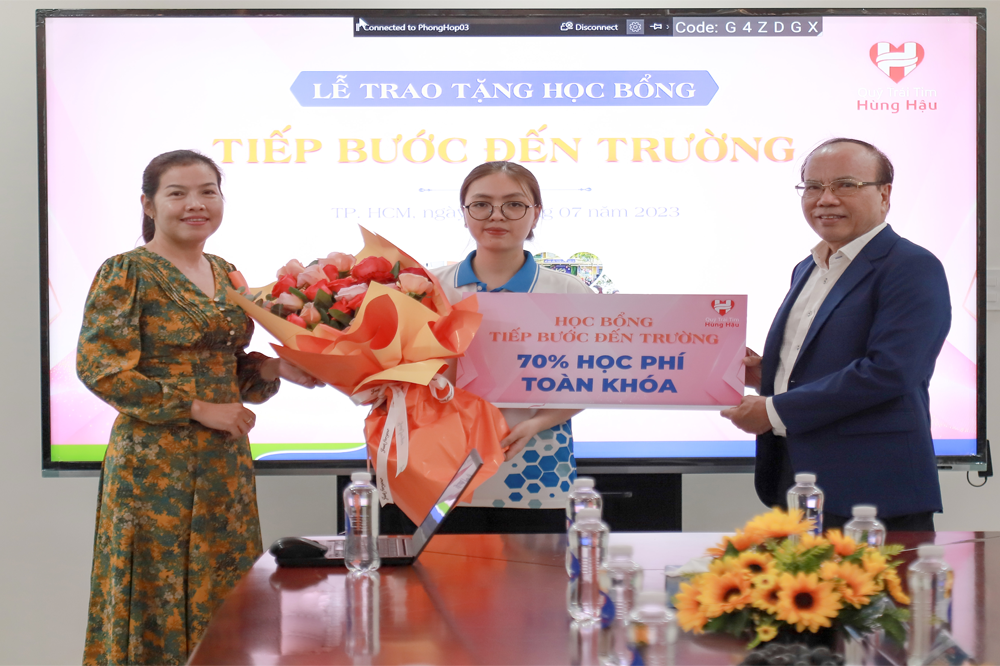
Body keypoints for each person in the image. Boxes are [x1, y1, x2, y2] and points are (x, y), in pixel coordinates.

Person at [78, 150, 320, 665]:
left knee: (225, 592)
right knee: (155, 591)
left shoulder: (226, 273)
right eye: (178, 193)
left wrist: (276, 368)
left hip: (223, 465)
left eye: (208, 191)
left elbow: (230, 367)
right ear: (148, 205)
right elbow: (101, 368)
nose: (196, 204)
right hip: (154, 466)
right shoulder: (127, 271)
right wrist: (197, 409)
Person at [721, 138, 950, 532]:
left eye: (845, 184)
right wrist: (768, 375)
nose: (825, 199)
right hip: (797, 484)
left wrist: (774, 411)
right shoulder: (807, 268)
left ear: (884, 195)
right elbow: (823, 359)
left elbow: (890, 371)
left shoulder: (911, 266)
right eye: (813, 186)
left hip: (873, 494)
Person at [432, 161, 593, 532]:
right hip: (443, 466)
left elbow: (591, 380)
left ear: (536, 213)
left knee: (536, 568)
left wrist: (538, 423)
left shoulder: (568, 292)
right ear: (464, 212)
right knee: (442, 568)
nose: (496, 215)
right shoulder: (429, 288)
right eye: (481, 204)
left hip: (536, 467)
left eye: (514, 204)